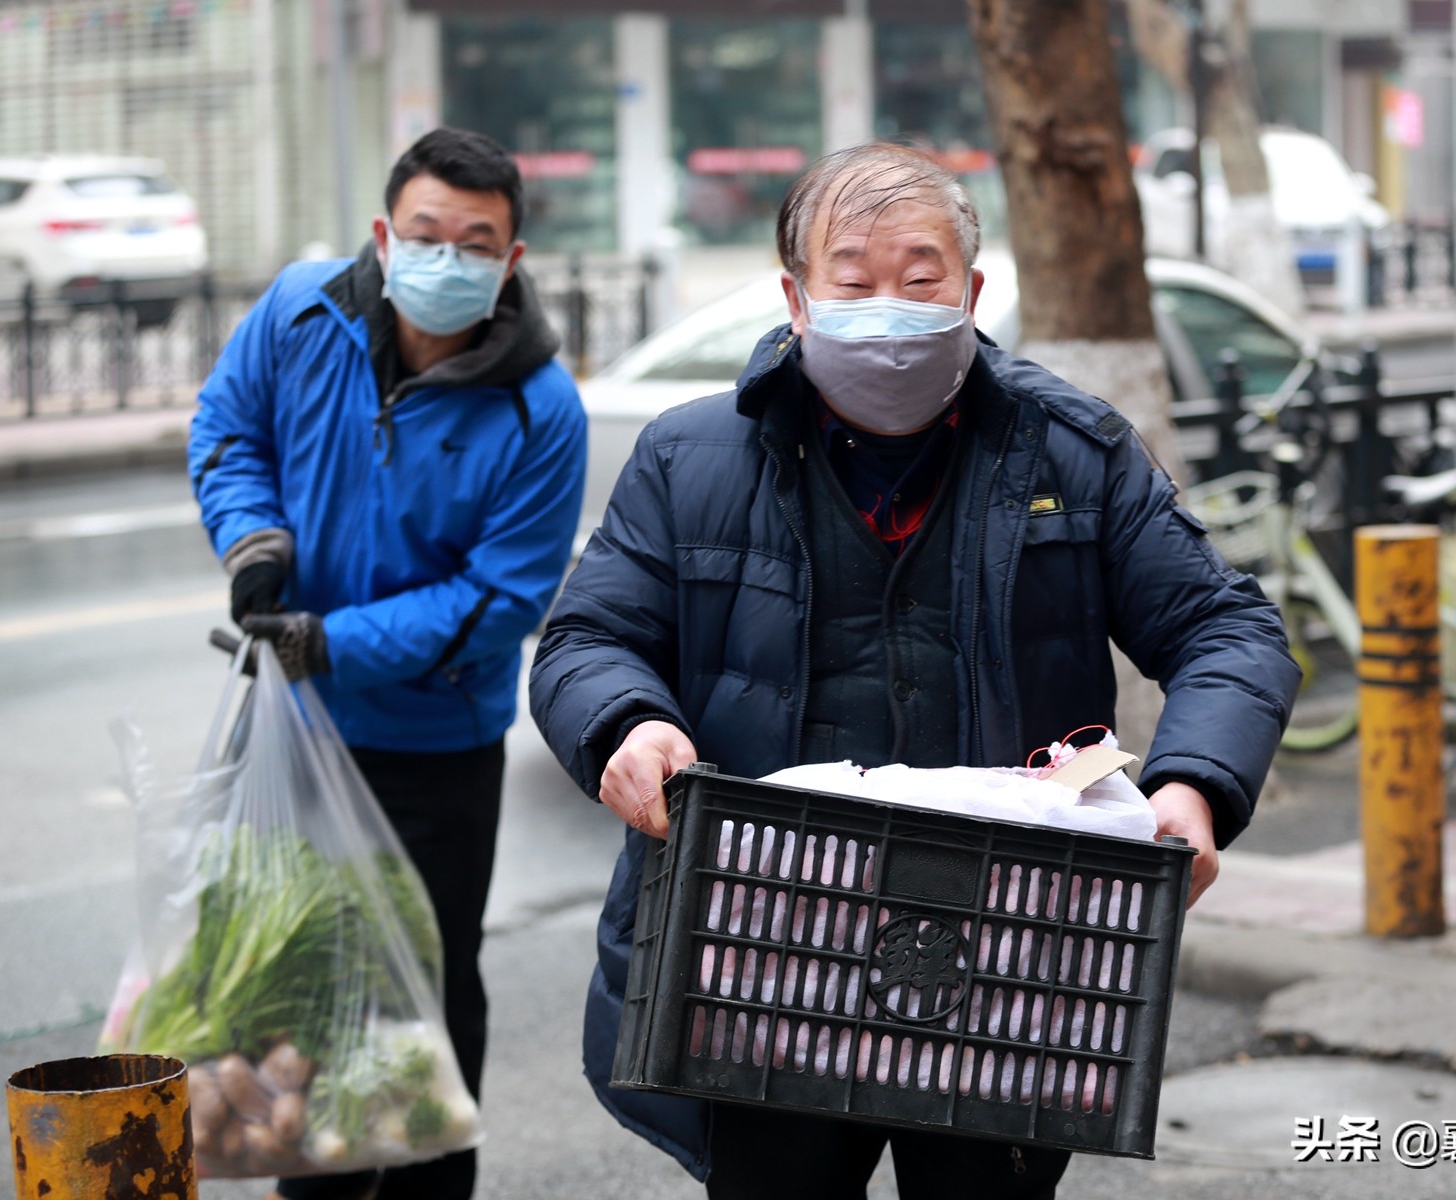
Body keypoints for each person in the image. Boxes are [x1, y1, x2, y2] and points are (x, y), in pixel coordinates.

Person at [528, 143, 1297, 1200]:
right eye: (852, 282)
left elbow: (1228, 628)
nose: (887, 309)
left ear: (972, 293)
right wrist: (624, 725)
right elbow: (587, 639)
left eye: (921, 280)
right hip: (762, 954)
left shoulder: (1075, 454)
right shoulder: (689, 459)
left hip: (1012, 958)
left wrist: (1194, 785)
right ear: (797, 298)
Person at [189, 126, 586, 1200]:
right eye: (427, 234)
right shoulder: (298, 311)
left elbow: (503, 599)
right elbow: (229, 430)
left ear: (510, 261)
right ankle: (311, 1182)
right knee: (297, 985)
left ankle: (423, 1186)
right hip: (293, 731)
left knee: (425, 992)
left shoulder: (539, 409)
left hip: (433, 750)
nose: (448, 258)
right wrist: (254, 540)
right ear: (382, 233)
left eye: (477, 242)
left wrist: (330, 643)